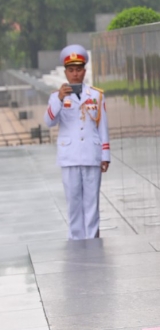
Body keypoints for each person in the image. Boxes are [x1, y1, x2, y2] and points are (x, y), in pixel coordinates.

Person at [44, 45, 110, 240]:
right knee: (74, 202)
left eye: (78, 69)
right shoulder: (56, 97)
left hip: (91, 154)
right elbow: (49, 121)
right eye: (71, 70)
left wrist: (105, 155)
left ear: (85, 71)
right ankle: (76, 240)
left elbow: (102, 127)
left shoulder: (96, 95)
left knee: (92, 202)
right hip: (70, 156)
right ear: (65, 72)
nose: (75, 74)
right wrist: (59, 99)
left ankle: (92, 239)